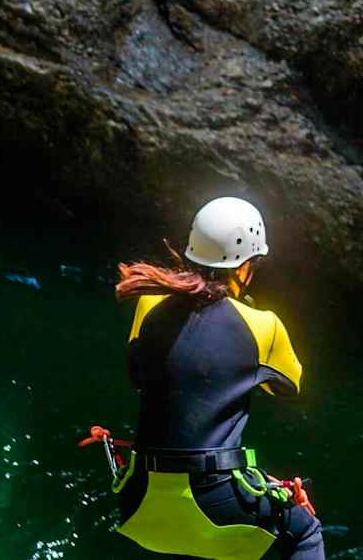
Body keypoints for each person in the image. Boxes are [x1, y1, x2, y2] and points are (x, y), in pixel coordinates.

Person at [112, 196, 322, 559]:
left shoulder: (148, 304)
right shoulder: (263, 326)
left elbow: (138, 375)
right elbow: (290, 386)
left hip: (138, 500)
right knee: (304, 532)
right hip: (217, 503)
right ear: (245, 268)